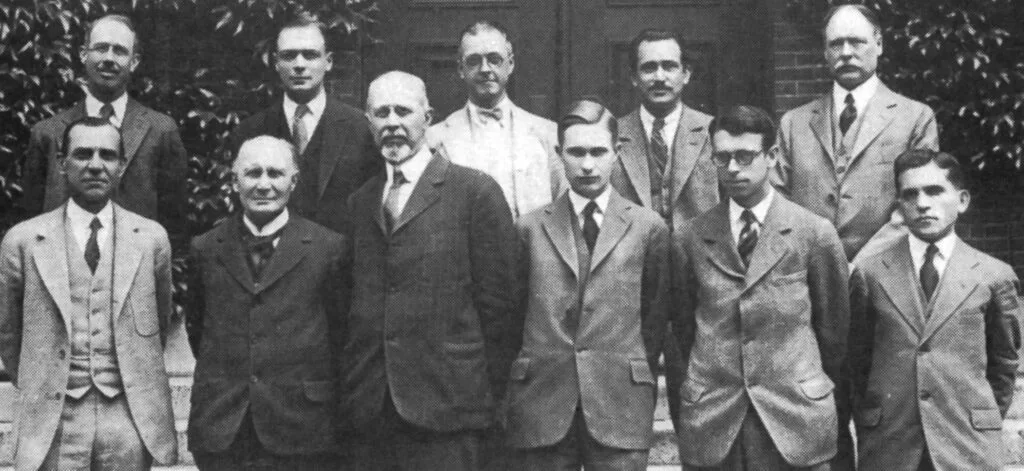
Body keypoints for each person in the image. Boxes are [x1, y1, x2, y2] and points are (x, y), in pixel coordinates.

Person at [338, 71, 519, 470]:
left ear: (428, 117)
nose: (392, 123)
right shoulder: (360, 202)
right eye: (381, 113)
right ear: (368, 122)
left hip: (448, 411)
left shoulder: (474, 192)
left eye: (403, 111)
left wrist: (481, 396)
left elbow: (501, 311)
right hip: (371, 412)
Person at [672, 105, 849, 470]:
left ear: (772, 156)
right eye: (722, 158)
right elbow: (685, 327)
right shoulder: (691, 237)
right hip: (716, 420)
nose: (733, 168)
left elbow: (834, 332)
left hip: (795, 419)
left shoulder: (813, 233)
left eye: (745, 156)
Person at [0, 117, 177, 470]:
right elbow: (8, 331)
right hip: (53, 418)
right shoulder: (24, 240)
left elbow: (159, 319)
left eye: (107, 155)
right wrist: (42, 380)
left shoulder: (151, 238)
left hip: (128, 416)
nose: (95, 165)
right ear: (62, 163)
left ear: (121, 165)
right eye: (82, 154)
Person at [505, 98, 670, 470]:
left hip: (619, 402)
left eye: (598, 152)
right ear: (559, 155)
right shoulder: (529, 229)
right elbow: (513, 316)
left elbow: (655, 318)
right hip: (542, 400)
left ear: (617, 153)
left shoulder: (648, 228)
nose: (588, 164)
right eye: (576, 152)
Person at [849, 149, 1020, 471]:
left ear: (962, 200)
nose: (922, 203)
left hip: (965, 445)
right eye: (910, 194)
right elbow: (858, 361)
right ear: (899, 205)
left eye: (934, 191)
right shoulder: (870, 274)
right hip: (891, 443)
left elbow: (1003, 364)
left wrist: (979, 419)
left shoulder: (993, 276)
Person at [184, 135, 349, 470]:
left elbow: (340, 333)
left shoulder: (328, 248)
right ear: (235, 182)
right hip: (224, 427)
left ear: (294, 181)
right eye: (252, 173)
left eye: (275, 173)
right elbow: (198, 328)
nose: (263, 185)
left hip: (301, 427)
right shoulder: (206, 248)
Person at [612, 29, 722, 442]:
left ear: (686, 74)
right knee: (622, 410)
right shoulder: (611, 136)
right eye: (649, 68)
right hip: (630, 292)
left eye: (669, 66)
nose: (659, 76)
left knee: (698, 410)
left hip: (698, 291)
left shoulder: (714, 133)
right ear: (633, 77)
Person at [775, 5, 938, 266]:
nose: (846, 53)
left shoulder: (915, 118)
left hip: (884, 272)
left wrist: (861, 268)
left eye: (856, 42)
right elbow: (777, 203)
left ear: (879, 44)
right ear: (825, 52)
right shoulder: (794, 123)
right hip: (809, 272)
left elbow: (914, 203)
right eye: (836, 44)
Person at [19, 13, 188, 249]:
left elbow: (175, 224)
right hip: (61, 263)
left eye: (119, 51)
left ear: (134, 62)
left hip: (135, 264)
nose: (109, 58)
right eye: (100, 48)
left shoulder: (161, 131)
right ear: (83, 54)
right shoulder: (47, 133)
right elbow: (30, 223)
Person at [231, 13, 380, 235]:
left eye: (310, 55)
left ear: (328, 62)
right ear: (276, 63)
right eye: (289, 56)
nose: (299, 65)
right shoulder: (249, 131)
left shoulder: (361, 128)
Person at [428, 20, 565, 220]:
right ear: (460, 69)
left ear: (510, 64)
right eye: (474, 61)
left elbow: (565, 209)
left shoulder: (546, 134)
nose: (485, 69)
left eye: (494, 59)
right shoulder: (436, 139)